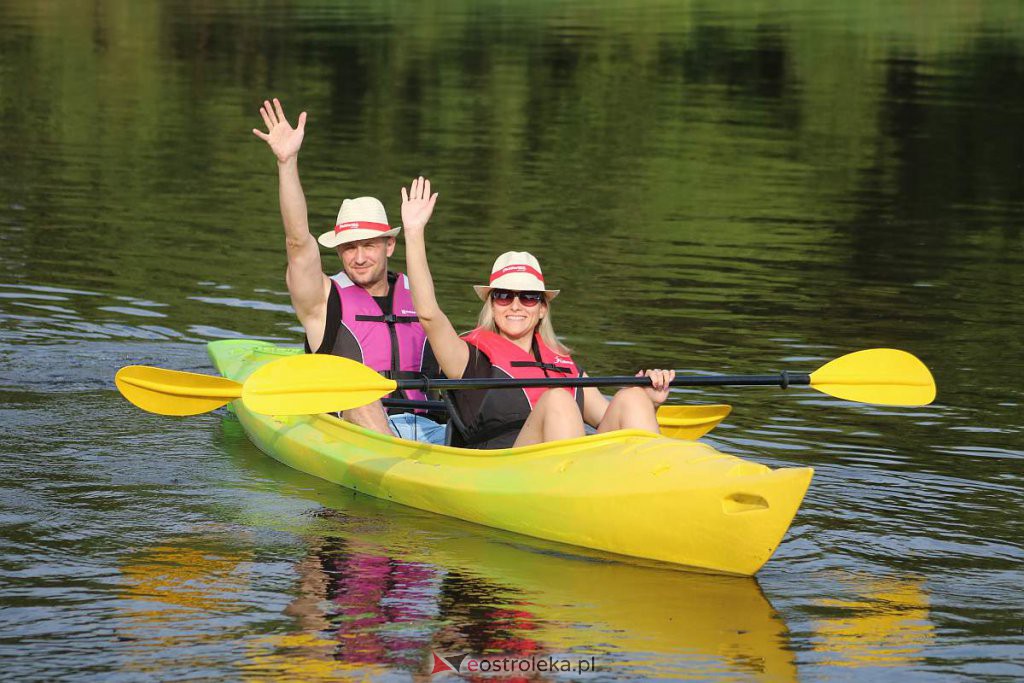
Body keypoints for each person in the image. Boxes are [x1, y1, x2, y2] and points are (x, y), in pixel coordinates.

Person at [399, 176, 676, 449]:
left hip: (567, 469)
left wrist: (650, 398)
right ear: (492, 304)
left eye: (529, 297)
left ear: (543, 308)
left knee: (633, 397)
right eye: (504, 296)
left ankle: (654, 481)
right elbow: (428, 314)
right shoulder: (468, 361)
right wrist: (413, 233)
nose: (516, 305)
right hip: (503, 471)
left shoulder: (564, 367)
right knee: (557, 400)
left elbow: (611, 419)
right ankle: (579, 485)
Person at [252, 99, 445, 444]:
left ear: (389, 245)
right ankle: (401, 469)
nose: (358, 258)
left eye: (368, 245)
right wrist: (287, 163)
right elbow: (298, 242)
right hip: (354, 430)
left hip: (430, 428)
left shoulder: (417, 293)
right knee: (363, 398)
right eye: (348, 248)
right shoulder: (322, 300)